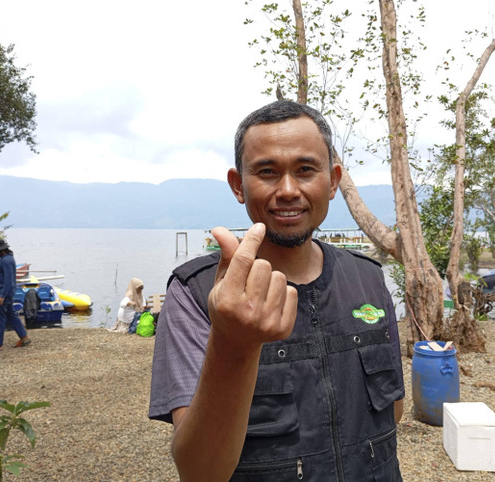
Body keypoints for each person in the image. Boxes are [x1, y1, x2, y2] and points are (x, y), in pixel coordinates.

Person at [149, 100, 405, 481]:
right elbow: (199, 472)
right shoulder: (197, 294)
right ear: (239, 185)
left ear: (333, 180)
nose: (288, 190)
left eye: (305, 170)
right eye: (267, 172)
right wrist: (234, 343)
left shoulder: (367, 277)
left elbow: (393, 411)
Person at [0, 239, 31, 352]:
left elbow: (8, 280)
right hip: (7, 294)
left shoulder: (6, 261)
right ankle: (24, 337)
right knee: (11, 316)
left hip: (2, 294)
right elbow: (5, 276)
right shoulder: (7, 259)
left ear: (0, 250)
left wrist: (2, 296)